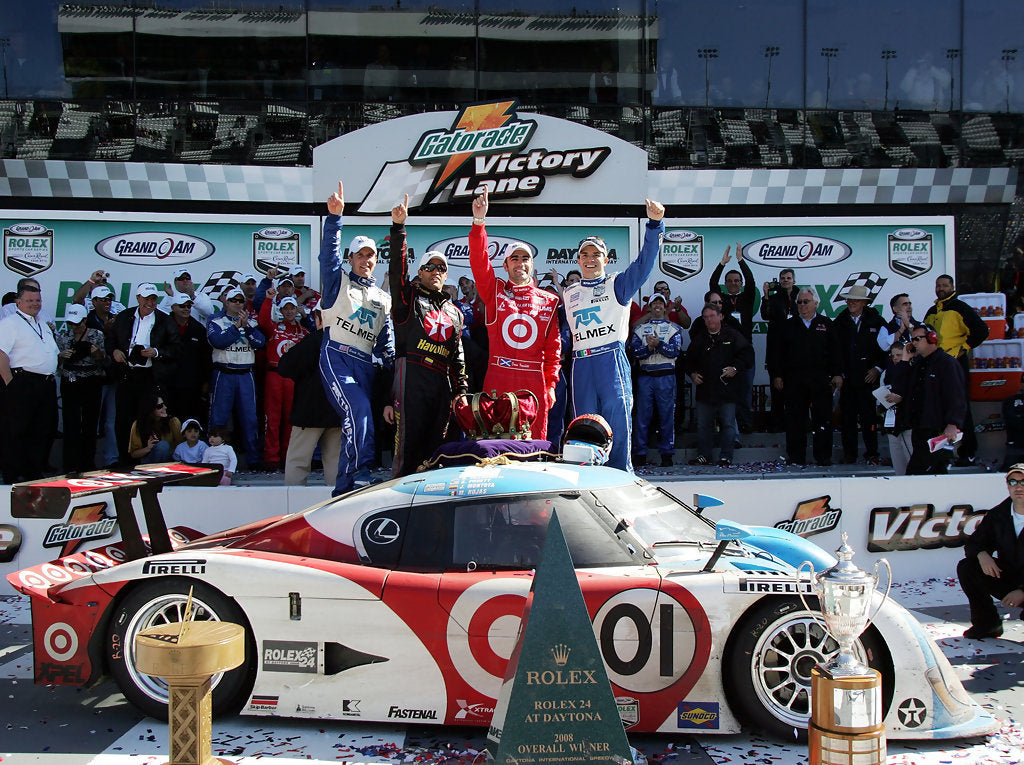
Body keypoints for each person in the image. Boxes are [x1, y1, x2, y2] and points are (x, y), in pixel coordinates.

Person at [563, 199, 665, 472]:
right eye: (585, 254)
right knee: (583, 425)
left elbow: (645, 262)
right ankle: (584, 475)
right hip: (580, 363)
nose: (590, 259)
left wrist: (654, 225)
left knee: (617, 421)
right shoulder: (569, 293)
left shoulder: (617, 283)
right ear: (578, 259)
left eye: (596, 254)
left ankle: (621, 473)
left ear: (605, 260)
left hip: (610, 358)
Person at [318, 181, 394, 494]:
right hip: (336, 355)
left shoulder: (383, 298)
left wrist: (396, 385)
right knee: (358, 410)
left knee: (363, 417)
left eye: (371, 255)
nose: (366, 259)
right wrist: (335, 219)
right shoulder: (338, 282)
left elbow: (386, 347)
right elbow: (328, 258)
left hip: (364, 362)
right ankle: (360, 473)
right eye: (360, 255)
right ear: (350, 258)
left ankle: (344, 488)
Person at [469, 188, 561, 440]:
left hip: (533, 380)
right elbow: (479, 262)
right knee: (494, 440)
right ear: (506, 264)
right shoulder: (494, 290)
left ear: (532, 264)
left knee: (532, 441)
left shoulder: (549, 301)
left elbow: (553, 350)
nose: (520, 263)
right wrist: (479, 223)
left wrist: (551, 386)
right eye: (515, 258)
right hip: (499, 374)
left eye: (525, 258)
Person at [386, 194, 467, 477]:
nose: (436, 271)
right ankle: (399, 497)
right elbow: (396, 269)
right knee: (409, 447)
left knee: (438, 447)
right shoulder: (407, 297)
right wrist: (398, 229)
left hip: (441, 381)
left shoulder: (455, 311)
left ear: (446, 275)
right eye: (430, 266)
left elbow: (458, 357)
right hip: (412, 375)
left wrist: (462, 392)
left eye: (441, 267)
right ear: (420, 272)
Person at [767, 288, 843, 466]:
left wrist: (837, 373)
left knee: (822, 419)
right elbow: (777, 353)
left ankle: (823, 457)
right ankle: (796, 457)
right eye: (799, 302)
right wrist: (777, 375)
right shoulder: (788, 325)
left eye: (806, 301)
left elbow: (836, 351)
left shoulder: (826, 324)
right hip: (794, 379)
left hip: (820, 378)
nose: (802, 305)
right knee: (795, 420)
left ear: (816, 303)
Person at [108, 283, 180, 465]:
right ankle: (125, 461)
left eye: (154, 299)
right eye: (146, 298)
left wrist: (156, 352)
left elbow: (177, 348)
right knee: (123, 420)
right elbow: (110, 339)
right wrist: (114, 351)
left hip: (151, 376)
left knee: (148, 419)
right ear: (138, 298)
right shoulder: (124, 316)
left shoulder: (165, 320)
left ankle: (150, 461)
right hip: (127, 374)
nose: (150, 302)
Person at [924, 274, 988, 464]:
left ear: (952, 287)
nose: (941, 288)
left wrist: (964, 348)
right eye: (938, 285)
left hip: (954, 364)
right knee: (937, 408)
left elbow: (982, 330)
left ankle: (967, 452)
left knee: (959, 408)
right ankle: (941, 453)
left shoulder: (960, 308)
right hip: (934, 365)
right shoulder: (931, 310)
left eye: (944, 285)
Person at [955, 463, 1024, 640]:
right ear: (1007, 486)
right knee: (968, 567)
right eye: (1013, 482)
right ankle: (987, 624)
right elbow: (974, 543)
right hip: (1011, 576)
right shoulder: (998, 514)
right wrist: (982, 554)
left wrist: (1023, 591)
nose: (1018, 487)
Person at [888, 323, 967, 475]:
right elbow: (898, 386)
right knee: (931, 471)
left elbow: (956, 394)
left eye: (917, 339)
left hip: (937, 429)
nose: (914, 343)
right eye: (912, 339)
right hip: (919, 427)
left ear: (932, 338)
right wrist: (905, 360)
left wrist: (952, 423)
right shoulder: (917, 364)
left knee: (918, 471)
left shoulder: (947, 363)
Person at [0, 283, 59, 482]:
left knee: (41, 430)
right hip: (23, 382)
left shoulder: (42, 323)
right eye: (30, 300)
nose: (35, 304)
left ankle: (32, 472)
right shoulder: (10, 323)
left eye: (38, 300)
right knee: (17, 430)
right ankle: (11, 475)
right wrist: (10, 383)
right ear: (18, 302)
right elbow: (1, 353)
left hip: (46, 383)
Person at [279, 310, 344, 488]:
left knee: (298, 462)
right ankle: (337, 507)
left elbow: (284, 367)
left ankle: (291, 509)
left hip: (308, 413)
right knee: (335, 464)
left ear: (319, 318)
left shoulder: (313, 340)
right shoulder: (347, 341)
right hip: (337, 412)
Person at [686, 302, 754, 467]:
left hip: (727, 389)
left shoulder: (732, 335)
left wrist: (736, 368)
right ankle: (704, 455)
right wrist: (692, 374)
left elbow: (748, 354)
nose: (709, 320)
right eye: (706, 317)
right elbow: (687, 361)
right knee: (703, 425)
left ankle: (726, 456)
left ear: (721, 316)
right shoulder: (700, 338)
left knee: (728, 424)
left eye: (712, 316)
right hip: (705, 390)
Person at [207, 286, 266, 470]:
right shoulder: (215, 320)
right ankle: (214, 460)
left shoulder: (251, 322)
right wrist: (236, 327)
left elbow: (260, 343)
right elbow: (218, 342)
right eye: (234, 300)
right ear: (226, 301)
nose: (238, 303)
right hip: (223, 373)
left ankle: (254, 461)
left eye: (241, 301)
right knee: (219, 419)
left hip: (245, 374)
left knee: (250, 419)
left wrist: (246, 327)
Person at [835, 284, 888, 464]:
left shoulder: (877, 321)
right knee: (847, 419)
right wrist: (838, 374)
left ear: (864, 303)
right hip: (848, 379)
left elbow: (887, 349)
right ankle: (849, 454)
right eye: (849, 299)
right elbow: (834, 351)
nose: (851, 302)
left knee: (869, 419)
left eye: (855, 300)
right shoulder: (840, 321)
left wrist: (878, 369)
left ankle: (872, 452)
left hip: (868, 379)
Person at [628, 293, 682, 467]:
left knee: (667, 417)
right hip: (645, 377)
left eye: (661, 302)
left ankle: (667, 455)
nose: (658, 305)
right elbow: (634, 353)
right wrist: (649, 348)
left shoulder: (674, 328)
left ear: (666, 307)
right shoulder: (639, 330)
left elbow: (675, 352)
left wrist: (658, 344)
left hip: (666, 376)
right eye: (654, 303)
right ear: (649, 307)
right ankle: (640, 454)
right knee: (642, 417)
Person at [710, 242, 757, 432]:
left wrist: (740, 261)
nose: (733, 283)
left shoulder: (747, 298)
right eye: (730, 281)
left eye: (737, 281)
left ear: (741, 284)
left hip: (745, 351)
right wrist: (722, 264)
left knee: (745, 388)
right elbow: (713, 284)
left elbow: (751, 282)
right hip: (727, 351)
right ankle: (728, 425)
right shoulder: (722, 301)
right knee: (727, 389)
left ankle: (745, 423)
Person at [258, 291, 308, 471]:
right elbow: (262, 321)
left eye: (292, 308)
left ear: (297, 309)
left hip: (293, 379)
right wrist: (269, 298)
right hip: (275, 375)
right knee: (272, 419)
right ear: (281, 310)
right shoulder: (275, 328)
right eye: (285, 309)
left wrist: (307, 318)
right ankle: (271, 458)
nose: (289, 312)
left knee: (291, 420)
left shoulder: (304, 331)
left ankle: (288, 457)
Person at [56, 303, 106, 473]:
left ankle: (88, 463)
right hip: (70, 381)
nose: (74, 326)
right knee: (71, 423)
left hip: (92, 381)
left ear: (85, 320)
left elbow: (104, 361)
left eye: (77, 323)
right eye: (71, 323)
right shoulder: (63, 337)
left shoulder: (97, 335)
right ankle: (70, 464)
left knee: (90, 424)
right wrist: (61, 356)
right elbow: (54, 363)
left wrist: (97, 353)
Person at [85, 283, 121, 467]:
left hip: (112, 377)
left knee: (111, 422)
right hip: (92, 379)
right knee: (91, 421)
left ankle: (111, 460)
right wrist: (105, 331)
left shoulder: (116, 319)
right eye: (103, 299)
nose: (107, 302)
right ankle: (87, 461)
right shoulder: (87, 320)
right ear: (94, 302)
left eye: (109, 299)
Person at [760, 268, 800, 432]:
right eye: (782, 278)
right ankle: (777, 424)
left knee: (796, 392)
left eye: (788, 278)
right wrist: (766, 295)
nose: (785, 280)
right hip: (777, 347)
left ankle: (796, 424)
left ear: (794, 280)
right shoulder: (774, 297)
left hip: (797, 348)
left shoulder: (802, 296)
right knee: (777, 389)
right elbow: (765, 315)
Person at [165, 292, 211, 427]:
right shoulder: (163, 325)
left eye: (188, 306)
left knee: (190, 421)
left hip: (192, 386)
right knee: (169, 421)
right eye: (182, 306)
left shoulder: (198, 329)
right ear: (173, 307)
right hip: (168, 384)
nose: (186, 309)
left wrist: (206, 382)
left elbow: (206, 358)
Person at [881, 341, 916, 475]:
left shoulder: (913, 370)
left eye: (899, 355)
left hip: (907, 421)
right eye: (893, 355)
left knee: (909, 455)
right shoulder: (888, 372)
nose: (895, 358)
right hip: (891, 418)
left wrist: (901, 398)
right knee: (897, 457)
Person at [128, 392, 183, 464]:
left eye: (164, 404)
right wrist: (148, 448)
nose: (165, 407)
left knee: (163, 446)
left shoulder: (173, 421)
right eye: (159, 406)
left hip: (170, 460)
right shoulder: (138, 424)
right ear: (150, 409)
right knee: (163, 446)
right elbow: (134, 454)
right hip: (149, 463)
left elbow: (182, 445)